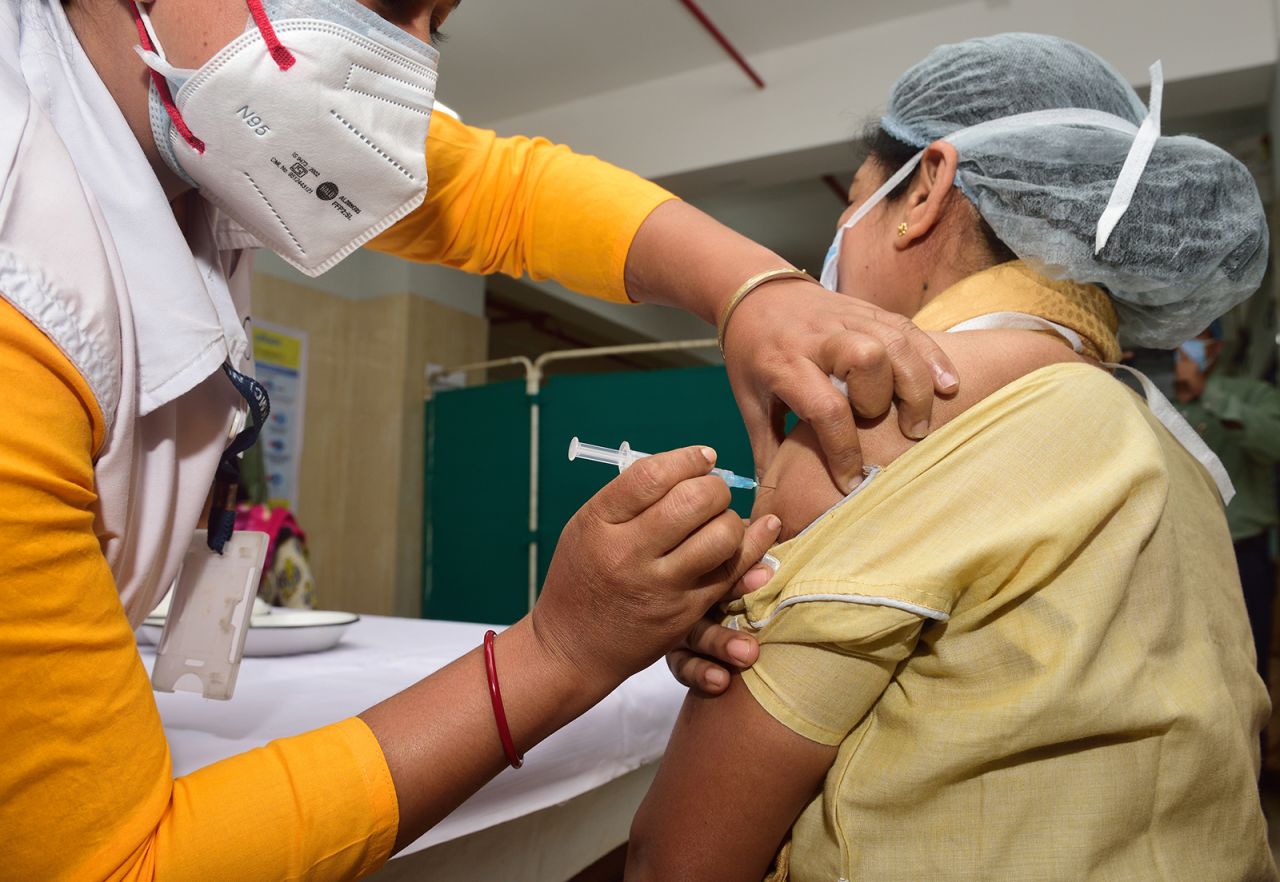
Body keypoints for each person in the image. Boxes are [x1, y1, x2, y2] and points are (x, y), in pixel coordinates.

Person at [0, 0, 961, 879]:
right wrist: (559, 651)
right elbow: (115, 863)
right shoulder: (23, 271)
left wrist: (753, 287)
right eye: (380, 5)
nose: (410, 57)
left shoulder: (201, 131)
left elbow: (501, 192)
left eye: (436, 21)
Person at [627, 33, 1275, 881]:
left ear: (923, 188)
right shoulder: (1163, 440)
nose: (838, 241)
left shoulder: (869, 419)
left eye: (852, 203)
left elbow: (679, 860)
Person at [1174, 325, 1280, 686]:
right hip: (1177, 554)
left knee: (1248, 666)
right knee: (1188, 665)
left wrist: (1210, 395)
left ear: (1215, 347)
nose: (1182, 347)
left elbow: (1273, 444)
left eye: (1195, 337)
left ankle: (1257, 742)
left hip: (1241, 554)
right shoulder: (1153, 393)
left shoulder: (1253, 395)